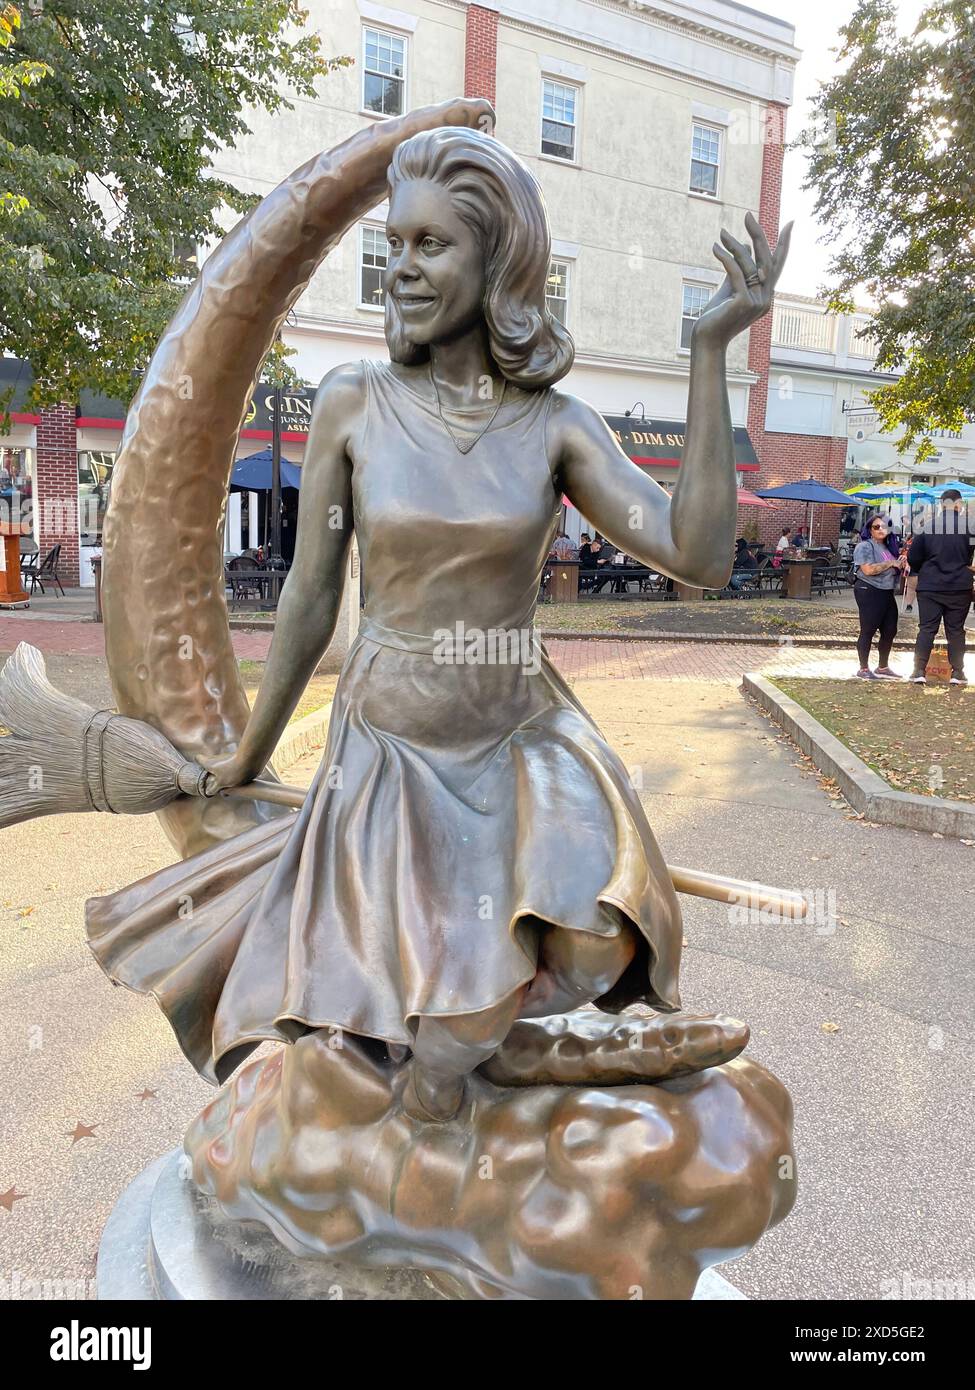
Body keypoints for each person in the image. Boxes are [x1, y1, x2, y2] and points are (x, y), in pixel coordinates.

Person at [85, 121, 789, 1123]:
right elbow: (311, 593)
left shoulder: (555, 424)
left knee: (594, 941)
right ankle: (446, 1092)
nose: (400, 268)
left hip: (519, 729)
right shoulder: (352, 406)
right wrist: (251, 750)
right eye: (393, 245)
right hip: (393, 744)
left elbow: (700, 553)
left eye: (429, 246)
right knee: (449, 1023)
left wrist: (711, 351)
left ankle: (482, 1055)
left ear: (495, 258)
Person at [906, 489, 975, 685]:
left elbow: (913, 558)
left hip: (930, 586)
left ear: (941, 504)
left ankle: (919, 670)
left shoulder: (926, 527)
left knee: (927, 629)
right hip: (959, 586)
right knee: (956, 630)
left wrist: (926, 569)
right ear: (958, 504)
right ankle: (958, 672)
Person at [852, 516, 908, 679]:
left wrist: (900, 562)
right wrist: (891, 563)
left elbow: (894, 567)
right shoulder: (864, 546)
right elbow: (868, 570)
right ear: (870, 529)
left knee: (890, 629)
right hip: (869, 589)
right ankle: (863, 668)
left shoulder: (889, 548)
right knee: (868, 629)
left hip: (886, 590)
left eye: (884, 527)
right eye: (876, 527)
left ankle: (883, 666)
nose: (881, 530)